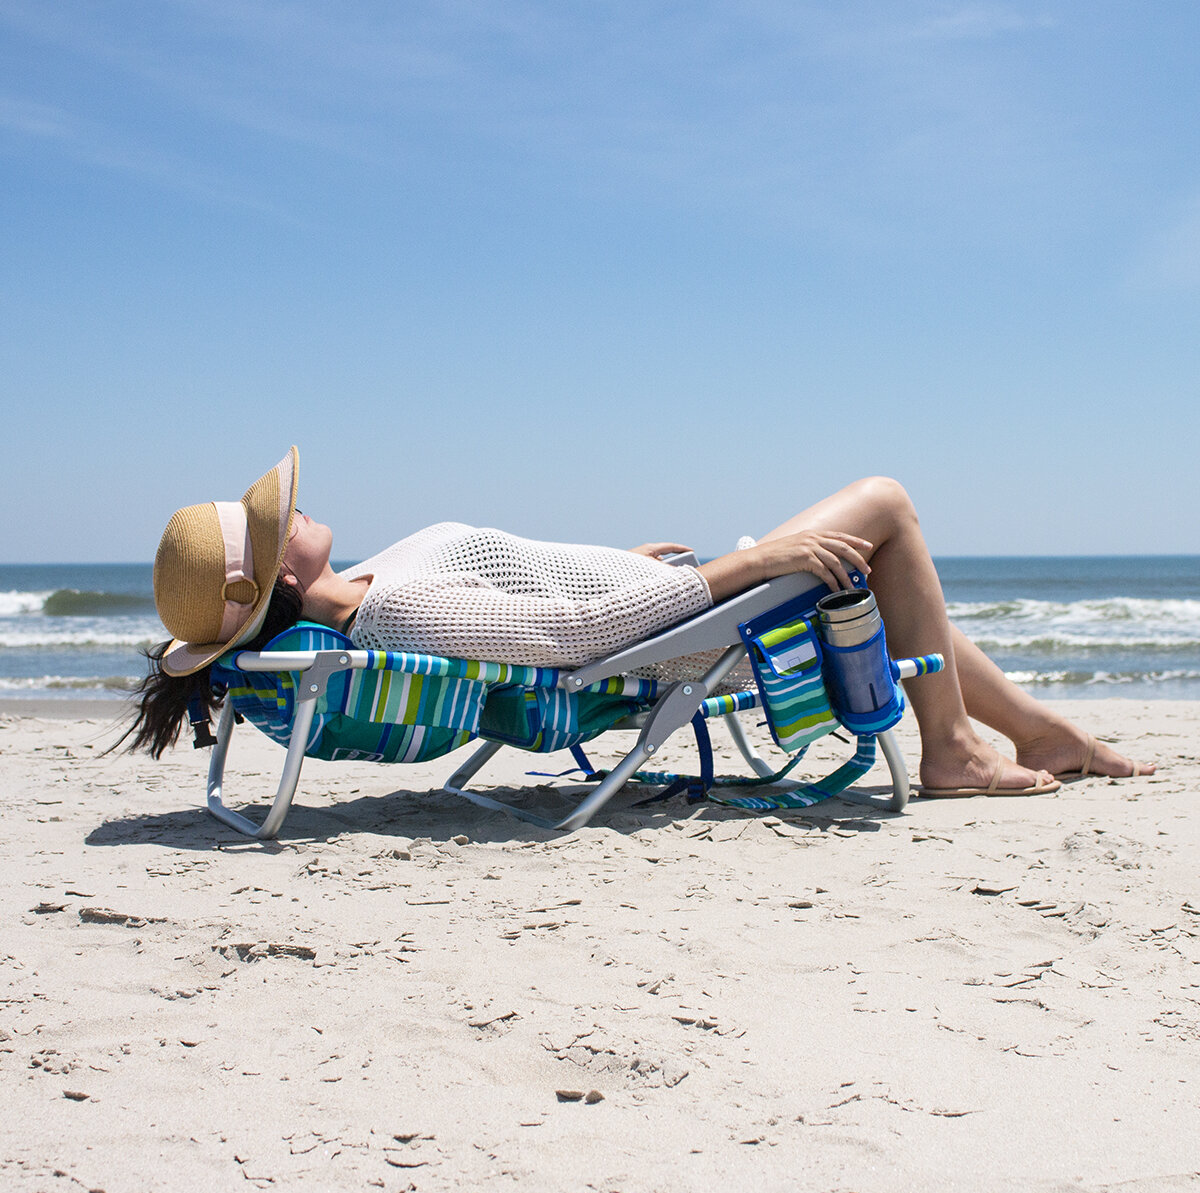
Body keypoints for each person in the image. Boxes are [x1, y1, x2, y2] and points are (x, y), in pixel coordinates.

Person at [120, 447, 1154, 794]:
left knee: (880, 547)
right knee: (882, 504)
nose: (290, 509)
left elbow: (532, 591)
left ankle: (1032, 734)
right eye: (275, 523)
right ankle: (955, 749)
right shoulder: (402, 607)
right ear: (271, 587)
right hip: (673, 644)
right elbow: (576, 646)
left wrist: (622, 559)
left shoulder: (372, 581)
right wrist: (756, 563)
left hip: (651, 598)